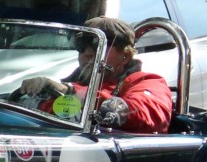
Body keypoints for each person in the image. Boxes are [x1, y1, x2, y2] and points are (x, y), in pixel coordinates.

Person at [20, 16, 173, 133]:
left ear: (125, 56)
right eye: (82, 46)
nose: (87, 53)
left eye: (97, 46)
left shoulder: (147, 82)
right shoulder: (66, 87)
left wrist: (72, 92)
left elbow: (142, 114)